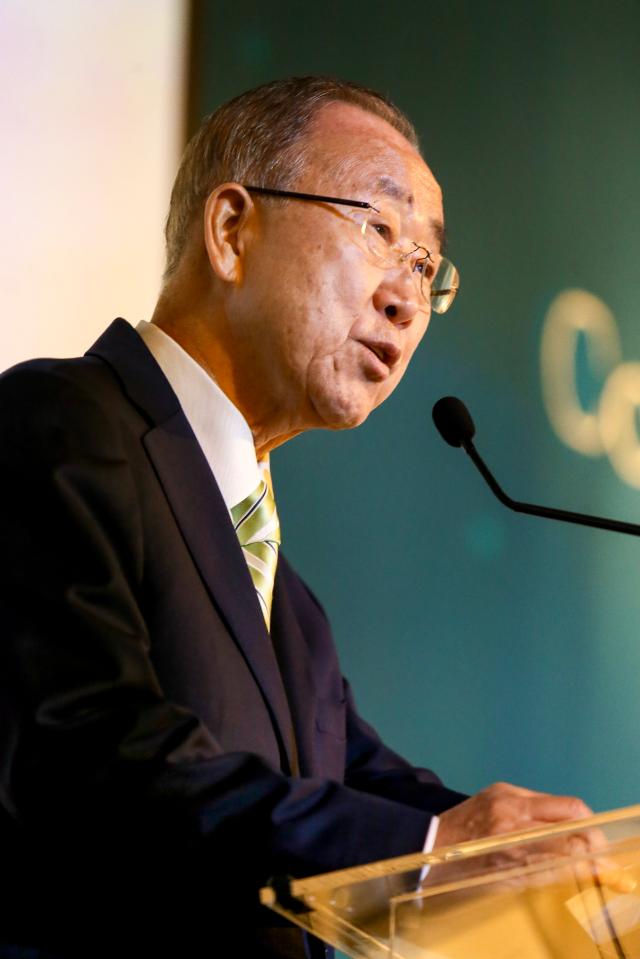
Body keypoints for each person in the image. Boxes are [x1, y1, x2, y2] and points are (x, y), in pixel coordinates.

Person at [0, 77, 590, 959]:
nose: (407, 296)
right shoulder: (59, 422)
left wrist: (538, 866)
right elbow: (93, 755)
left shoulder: (294, 611)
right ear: (232, 230)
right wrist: (429, 854)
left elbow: (362, 788)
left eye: (428, 266)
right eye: (380, 229)